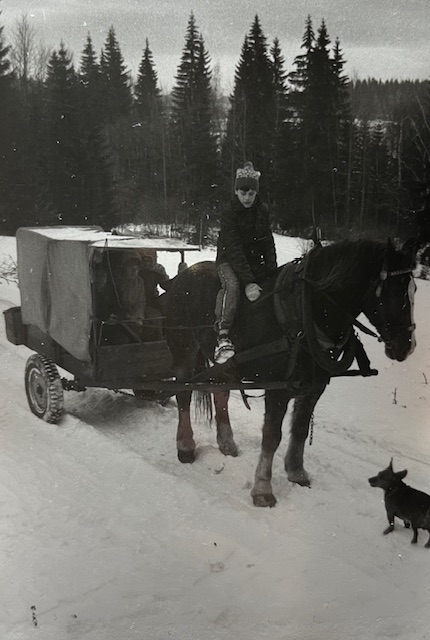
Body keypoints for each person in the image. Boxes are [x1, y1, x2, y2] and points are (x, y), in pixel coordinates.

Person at [214, 161, 277, 364]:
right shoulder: (229, 213)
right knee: (232, 285)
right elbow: (233, 249)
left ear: (256, 193)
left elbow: (267, 242)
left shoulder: (262, 211)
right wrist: (249, 281)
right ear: (236, 192)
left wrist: (272, 270)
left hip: (252, 261)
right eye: (243, 193)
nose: (247, 198)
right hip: (228, 260)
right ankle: (223, 334)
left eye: (251, 193)